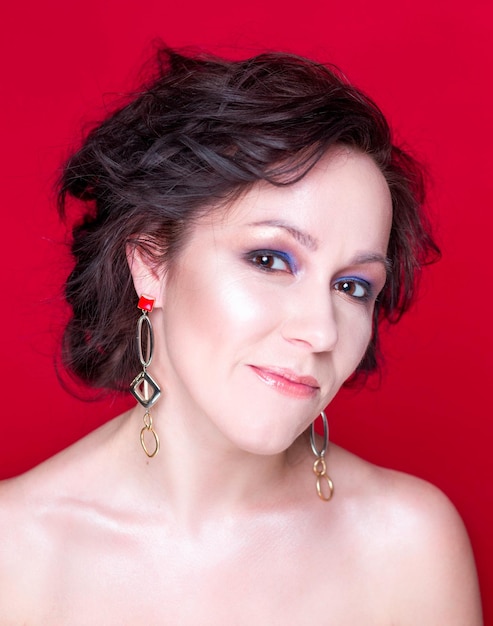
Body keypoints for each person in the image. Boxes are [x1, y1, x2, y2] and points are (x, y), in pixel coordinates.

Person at [0, 47, 482, 624]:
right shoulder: (16, 552)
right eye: (270, 259)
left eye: (353, 286)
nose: (321, 330)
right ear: (152, 259)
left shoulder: (408, 544)